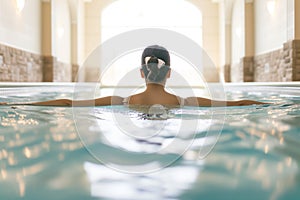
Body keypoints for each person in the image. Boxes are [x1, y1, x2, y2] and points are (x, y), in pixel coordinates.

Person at [0, 45, 267, 107]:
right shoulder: (187, 103)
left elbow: (66, 103)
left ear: (141, 72)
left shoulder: (121, 101)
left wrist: (16, 104)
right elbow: (240, 104)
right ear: (169, 73)